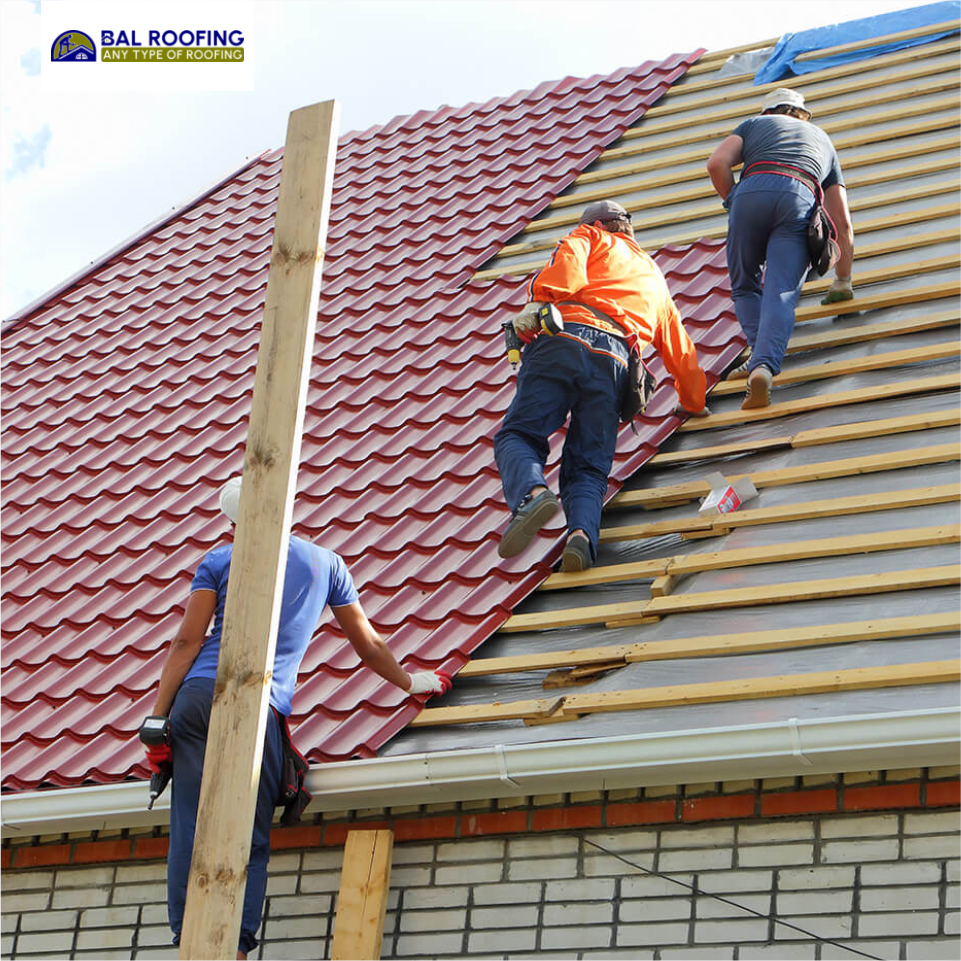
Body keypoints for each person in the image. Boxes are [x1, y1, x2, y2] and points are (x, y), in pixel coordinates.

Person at [142, 477, 450, 960]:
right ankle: (236, 949)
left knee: (193, 822)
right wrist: (413, 683)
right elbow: (367, 644)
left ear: (233, 523)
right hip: (260, 706)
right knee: (251, 831)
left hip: (198, 698)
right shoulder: (326, 564)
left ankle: (190, 941)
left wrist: (156, 718)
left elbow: (187, 642)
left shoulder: (219, 560)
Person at [493, 200, 708, 573]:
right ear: (627, 228)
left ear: (596, 225)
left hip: (564, 339)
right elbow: (681, 354)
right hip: (616, 361)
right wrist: (692, 400)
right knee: (589, 465)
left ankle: (533, 492)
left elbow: (566, 279)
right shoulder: (654, 278)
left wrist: (539, 302)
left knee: (519, 434)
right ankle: (581, 537)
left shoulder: (587, 236)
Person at [706, 87, 855, 409]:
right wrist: (843, 281)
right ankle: (763, 365)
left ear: (768, 112)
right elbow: (842, 223)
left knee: (745, 284)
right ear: (801, 114)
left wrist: (734, 201)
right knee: (782, 289)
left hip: (750, 191)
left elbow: (717, 164)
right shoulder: (823, 140)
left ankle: (759, 354)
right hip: (799, 194)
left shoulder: (752, 125)